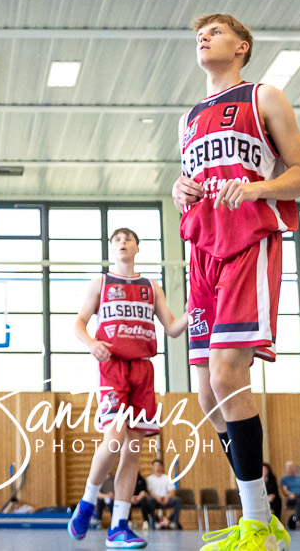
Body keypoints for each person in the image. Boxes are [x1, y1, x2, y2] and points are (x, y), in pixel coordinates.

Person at [175, 13, 300, 551]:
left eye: (214, 32)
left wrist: (257, 190)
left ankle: (256, 521)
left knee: (228, 373)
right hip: (200, 252)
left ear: (242, 46)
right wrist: (179, 191)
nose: (203, 38)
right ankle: (265, 510)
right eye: (199, 34)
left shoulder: (265, 96)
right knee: (206, 393)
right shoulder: (188, 117)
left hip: (247, 242)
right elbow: (193, 180)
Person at [69, 226, 188, 549]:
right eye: (116, 240)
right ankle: (87, 501)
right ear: (112, 249)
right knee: (116, 435)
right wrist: (93, 343)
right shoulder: (101, 283)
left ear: (137, 248)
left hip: (143, 371)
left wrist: (195, 309)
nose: (122, 243)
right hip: (113, 368)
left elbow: (174, 328)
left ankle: (119, 526)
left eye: (128, 240)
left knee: (133, 449)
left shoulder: (152, 288)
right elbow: (79, 322)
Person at [139, 459, 181, 530]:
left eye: (159, 465)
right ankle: (156, 522)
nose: (157, 467)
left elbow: (171, 490)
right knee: (148, 502)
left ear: (162, 467)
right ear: (153, 467)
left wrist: (167, 498)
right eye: (155, 465)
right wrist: (157, 498)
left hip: (166, 499)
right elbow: (150, 491)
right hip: (154, 499)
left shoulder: (166, 478)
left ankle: (173, 521)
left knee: (178, 500)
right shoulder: (149, 479)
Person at [280, 463, 300, 530]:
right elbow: (285, 490)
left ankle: (298, 521)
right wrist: (290, 494)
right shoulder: (284, 479)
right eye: (288, 467)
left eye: (291, 467)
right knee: (299, 500)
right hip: (291, 499)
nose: (290, 469)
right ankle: (298, 522)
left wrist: (296, 495)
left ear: (294, 467)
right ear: (286, 469)